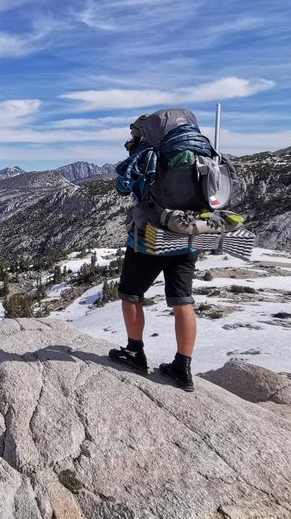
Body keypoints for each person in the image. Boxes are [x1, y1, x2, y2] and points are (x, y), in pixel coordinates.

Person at [109, 111, 200, 391]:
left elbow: (124, 185)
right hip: (187, 237)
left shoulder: (149, 156)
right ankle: (182, 367)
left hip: (149, 239)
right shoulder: (196, 155)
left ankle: (135, 352)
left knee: (131, 294)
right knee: (182, 300)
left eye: (135, 135)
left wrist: (135, 153)